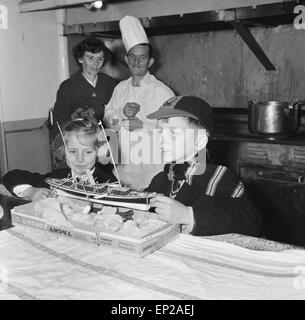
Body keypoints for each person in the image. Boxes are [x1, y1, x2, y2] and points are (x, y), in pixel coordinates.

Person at [146, 96, 262, 236]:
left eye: (172, 132)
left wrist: (188, 216)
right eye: (159, 131)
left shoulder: (220, 179)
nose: (161, 140)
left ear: (199, 141)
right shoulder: (162, 179)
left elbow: (250, 223)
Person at [103, 15, 175, 189]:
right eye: (132, 57)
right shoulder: (120, 89)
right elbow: (106, 123)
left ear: (150, 61)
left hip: (152, 175)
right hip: (122, 173)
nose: (136, 62)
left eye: (142, 57)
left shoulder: (162, 92)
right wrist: (121, 113)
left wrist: (143, 127)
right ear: (126, 59)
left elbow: (175, 133)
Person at [2, 115, 116, 202]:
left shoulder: (111, 183)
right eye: (72, 151)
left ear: (99, 152)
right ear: (63, 151)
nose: (79, 159)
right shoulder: (56, 179)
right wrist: (30, 191)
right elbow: (11, 177)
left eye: (87, 152)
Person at [51, 37, 118, 139]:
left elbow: (117, 117)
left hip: (107, 142)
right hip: (79, 144)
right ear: (80, 59)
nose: (96, 63)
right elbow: (59, 124)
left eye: (100, 59)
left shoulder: (111, 84)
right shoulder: (68, 87)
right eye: (90, 58)